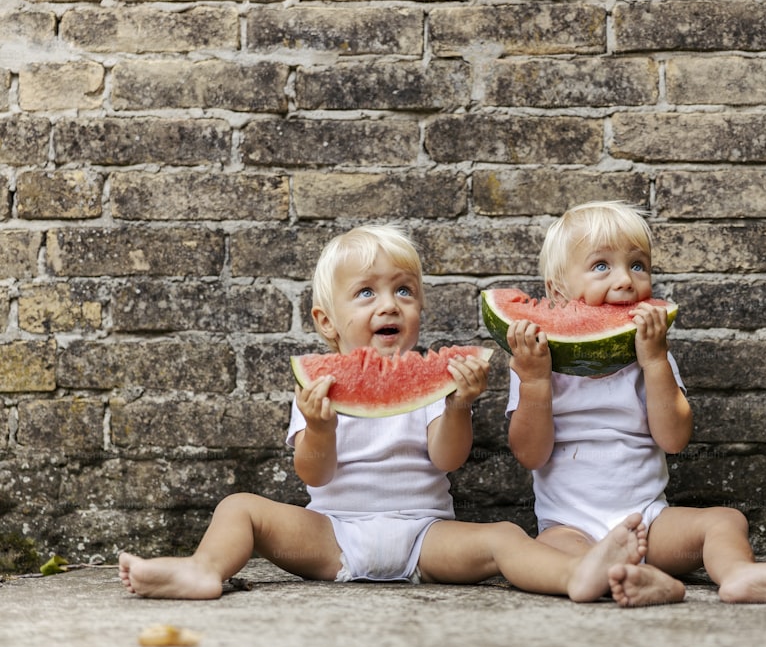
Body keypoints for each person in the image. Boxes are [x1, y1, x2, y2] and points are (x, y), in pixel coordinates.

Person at [118, 224, 645, 601]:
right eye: (366, 293)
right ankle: (204, 570)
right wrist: (321, 427)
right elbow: (313, 473)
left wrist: (458, 405)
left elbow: (447, 459)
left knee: (505, 537)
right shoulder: (321, 385)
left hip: (425, 535)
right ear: (328, 322)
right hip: (333, 535)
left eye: (404, 291)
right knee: (239, 508)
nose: (388, 305)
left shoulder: (436, 382)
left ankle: (580, 574)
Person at [504, 202, 766, 607]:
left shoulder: (650, 357)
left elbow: (673, 439)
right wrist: (534, 380)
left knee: (726, 521)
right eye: (601, 266)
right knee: (540, 552)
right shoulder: (535, 363)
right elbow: (530, 455)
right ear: (557, 291)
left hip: (650, 523)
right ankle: (636, 578)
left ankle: (737, 574)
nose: (625, 280)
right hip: (571, 530)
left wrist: (655, 361)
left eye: (638, 265)